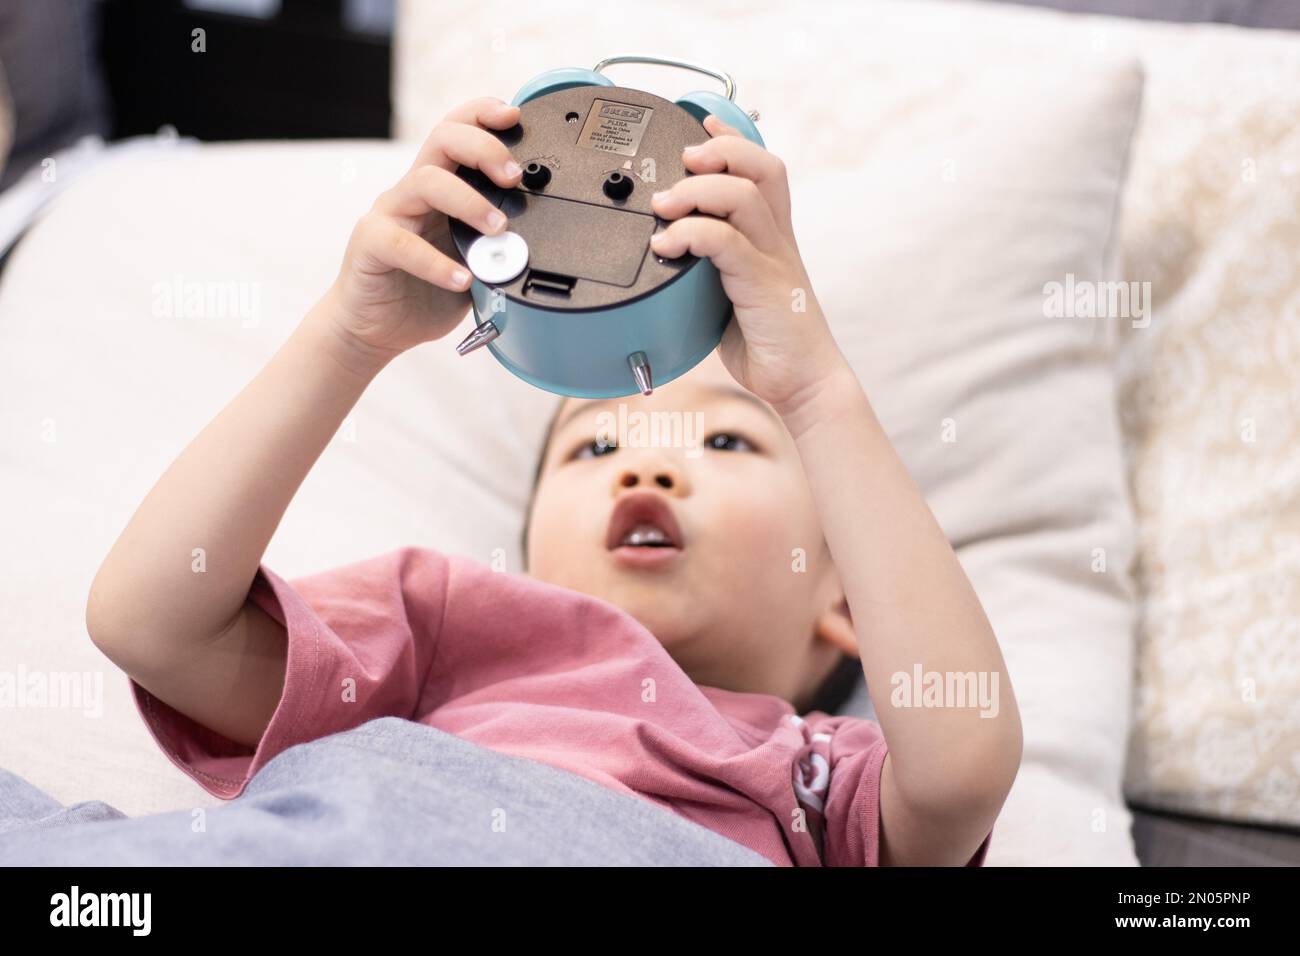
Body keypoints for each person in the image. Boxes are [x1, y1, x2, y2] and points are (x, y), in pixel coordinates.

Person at [86, 96, 1022, 866]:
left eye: (729, 445)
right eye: (591, 450)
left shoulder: (824, 777)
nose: (648, 463)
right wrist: (348, 336)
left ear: (847, 602)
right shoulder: (456, 631)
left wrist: (815, 392)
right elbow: (150, 626)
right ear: (532, 550)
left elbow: (961, 769)